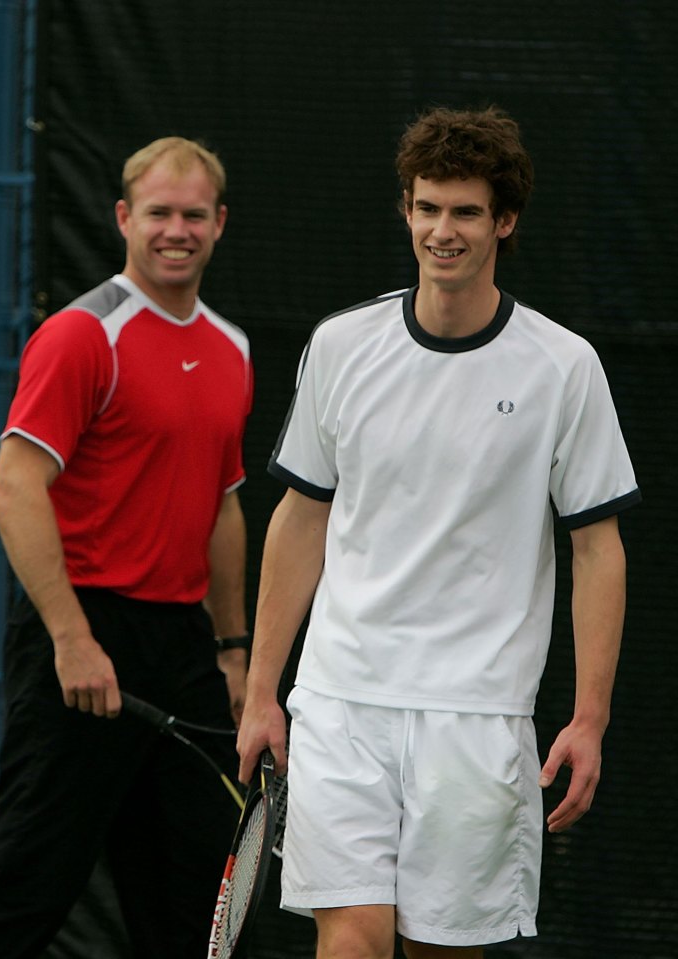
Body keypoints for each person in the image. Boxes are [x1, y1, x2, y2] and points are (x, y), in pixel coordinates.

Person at [237, 106, 641, 959]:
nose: (440, 230)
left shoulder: (564, 367)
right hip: (341, 698)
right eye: (425, 208)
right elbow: (301, 517)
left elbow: (596, 547)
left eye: (462, 212)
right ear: (405, 211)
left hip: (478, 712)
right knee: (350, 935)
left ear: (504, 221)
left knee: (438, 951)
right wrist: (262, 690)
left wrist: (589, 717)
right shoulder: (341, 346)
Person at [0, 136, 253, 958]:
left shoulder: (233, 349)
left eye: (193, 214)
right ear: (124, 217)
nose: (175, 230)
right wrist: (71, 638)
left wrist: (231, 650)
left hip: (182, 650)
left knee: (194, 907)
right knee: (25, 890)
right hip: (79, 643)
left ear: (219, 223)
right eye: (158, 212)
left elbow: (223, 509)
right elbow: (12, 489)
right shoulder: (82, 335)